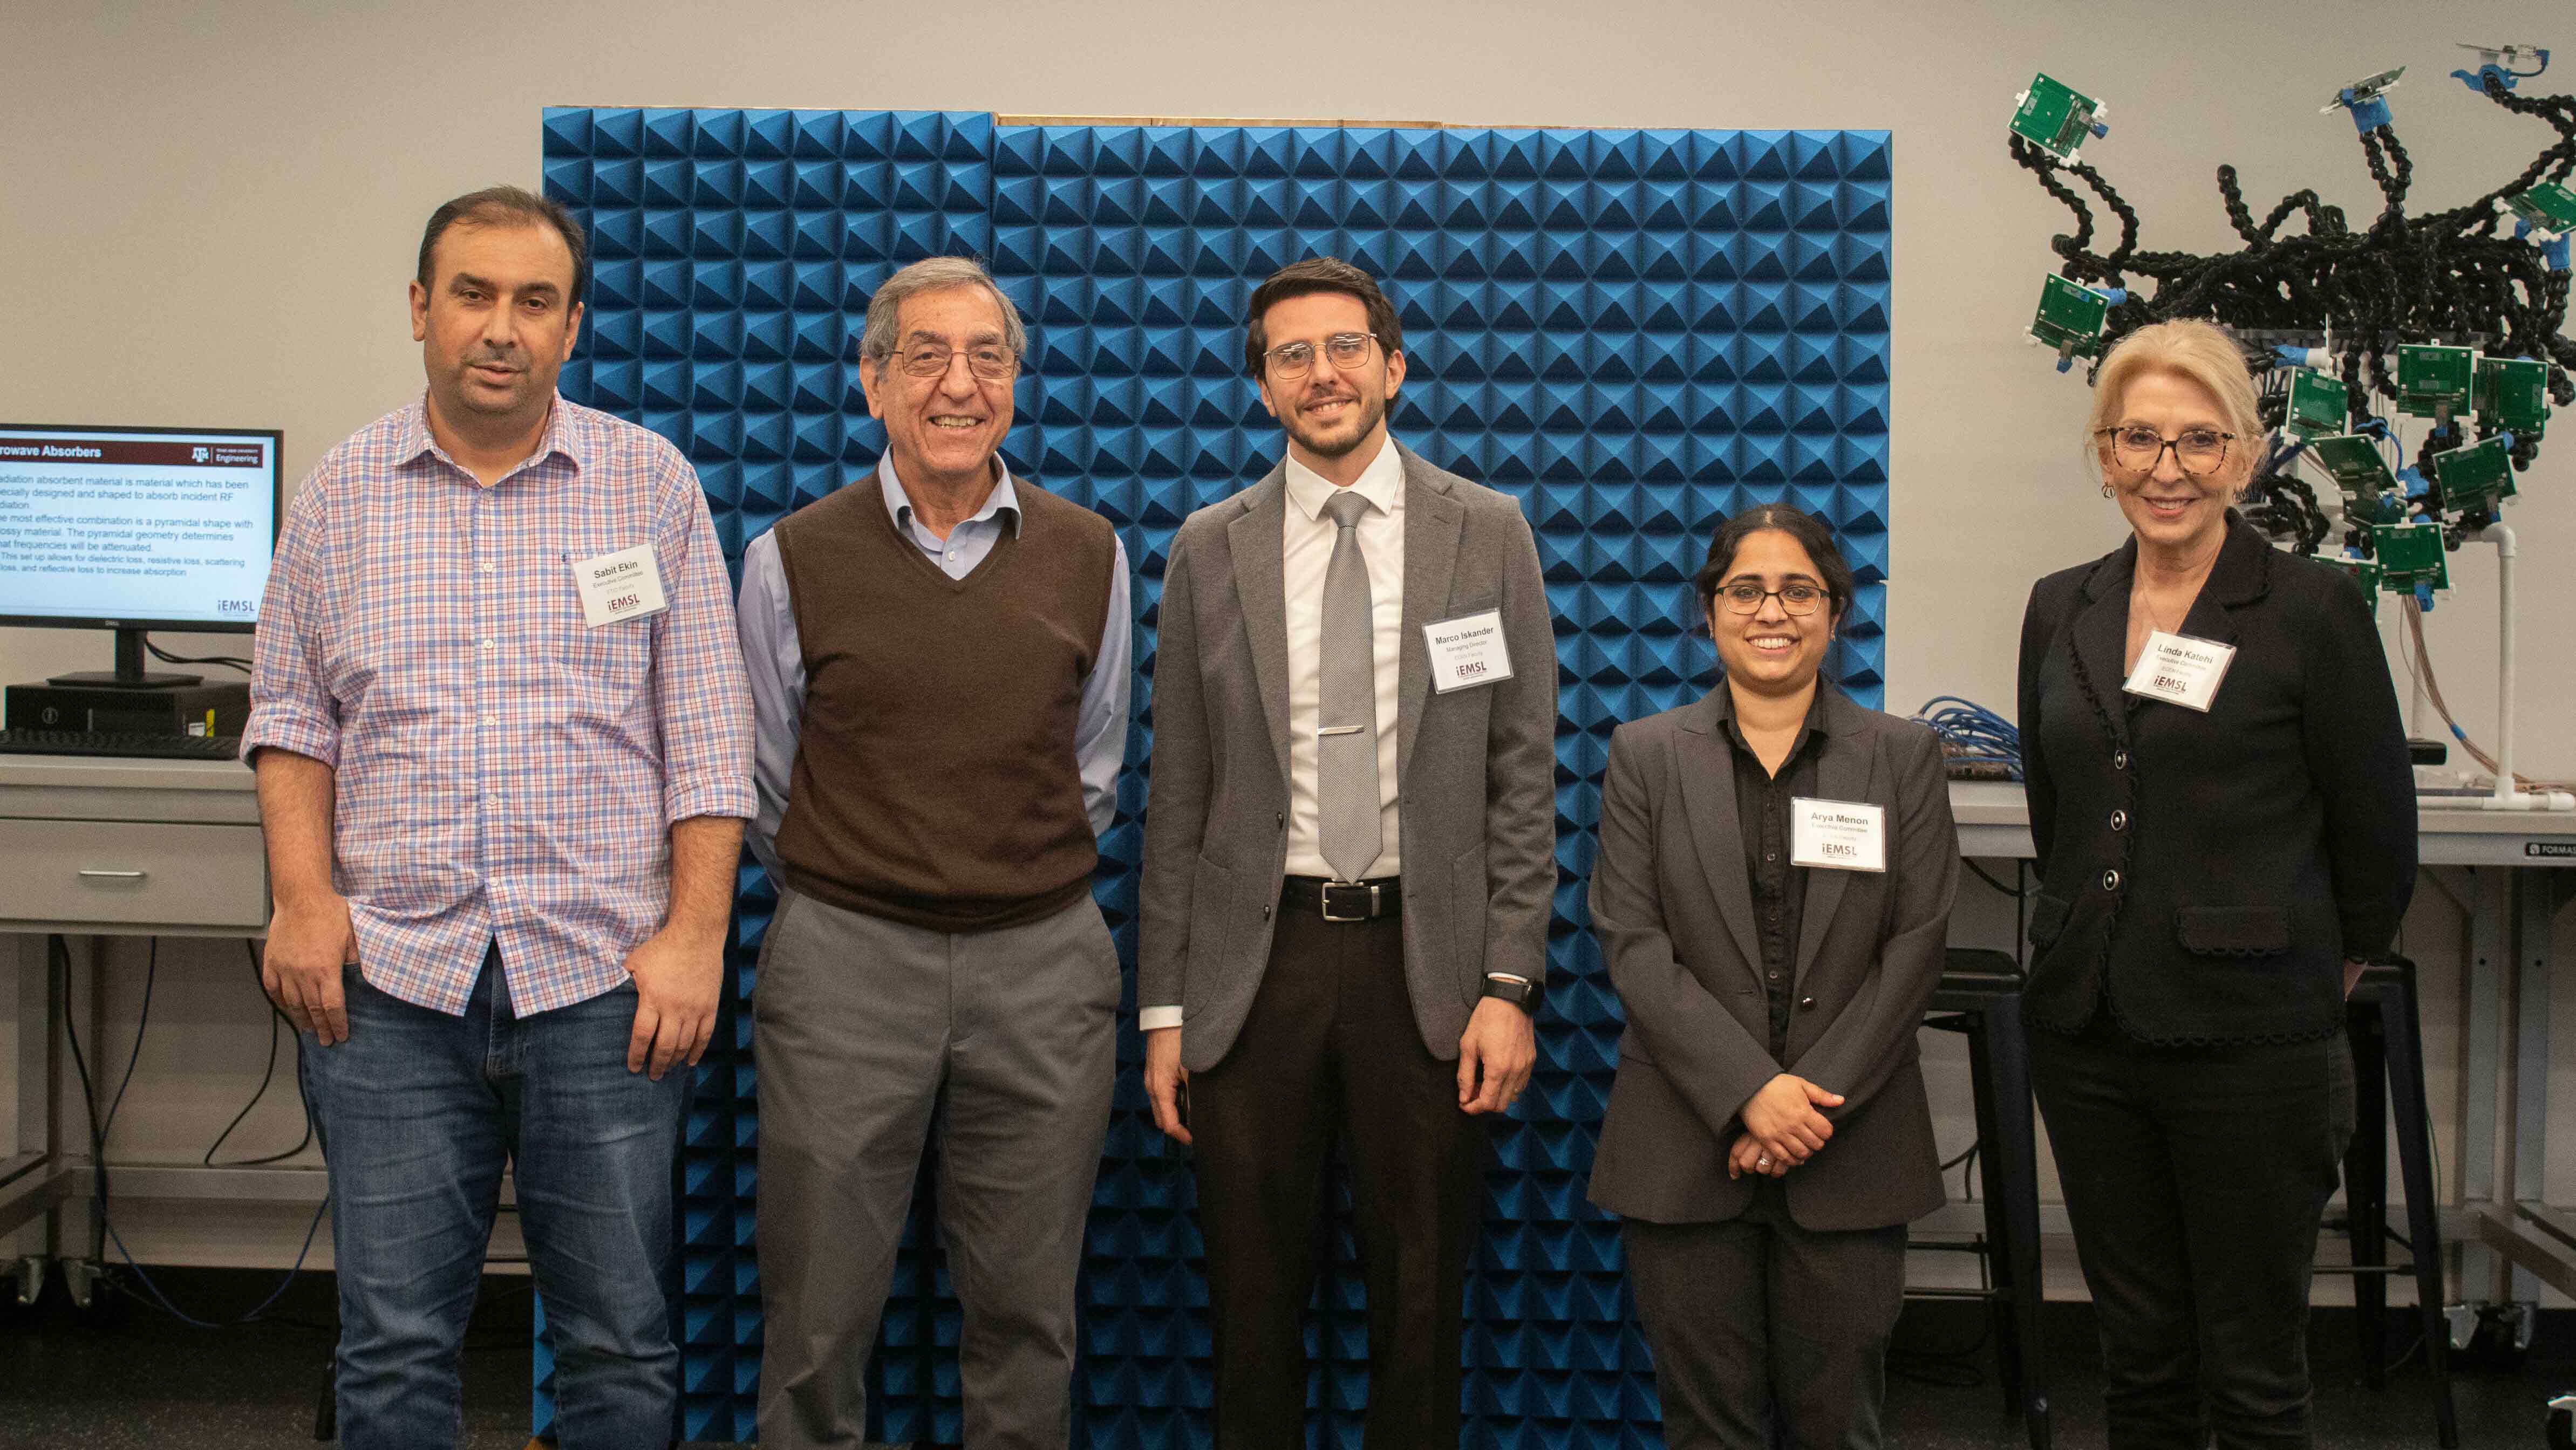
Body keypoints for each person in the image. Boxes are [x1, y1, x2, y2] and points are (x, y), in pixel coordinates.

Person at [242, 185, 752, 1449]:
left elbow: (706, 739)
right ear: (421, 309)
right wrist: (304, 903)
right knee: (394, 1343)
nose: (500, 328)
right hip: (393, 987)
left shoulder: (649, 486)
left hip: (602, 987)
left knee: (618, 1344)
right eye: (472, 294)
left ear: (572, 326)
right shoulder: (340, 496)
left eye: (534, 301)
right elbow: (293, 721)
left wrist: (693, 941)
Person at [1136, 256, 1558, 1448]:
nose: (1319, 374)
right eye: (1289, 355)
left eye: (1341, 347)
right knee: (1250, 1295)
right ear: (1262, 389)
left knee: (1421, 1297)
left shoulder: (1488, 533)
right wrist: (1162, 1009)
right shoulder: (1205, 549)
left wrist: (1508, 985)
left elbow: (1520, 778)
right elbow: (1179, 796)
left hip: (1424, 970)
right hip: (1249, 971)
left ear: (1392, 366)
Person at [734, 254, 1133, 1450]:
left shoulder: (1090, 553)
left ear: (1015, 383)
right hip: (845, 966)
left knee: (1027, 1313)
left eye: (987, 358)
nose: (958, 386)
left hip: (1043, 968)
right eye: (925, 356)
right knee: (816, 1315)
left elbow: (1096, 767)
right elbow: (763, 780)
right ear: (871, 383)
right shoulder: (787, 558)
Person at [2016, 319, 2416, 1448]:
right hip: (2089, 1037)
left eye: (2197, 441)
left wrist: (2301, 975)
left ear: (2242, 456)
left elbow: (2375, 835)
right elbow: (2061, 808)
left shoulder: (2310, 609)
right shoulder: (2062, 604)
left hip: (2253, 1040)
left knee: (2249, 1371)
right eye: (2136, 438)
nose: (2165, 468)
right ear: (2102, 454)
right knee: (2137, 1363)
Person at [1586, 504, 1958, 1450]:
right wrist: (1752, 1092)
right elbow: (1632, 942)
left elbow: (1914, 945)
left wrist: (1804, 1108)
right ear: (1707, 611)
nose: (1771, 611)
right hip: (1682, 1147)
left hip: (1853, 1144)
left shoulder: (1903, 755)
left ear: (1836, 613)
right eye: (1744, 589)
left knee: (1841, 1425)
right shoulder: (1644, 756)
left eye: (1799, 590)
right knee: (1707, 1429)